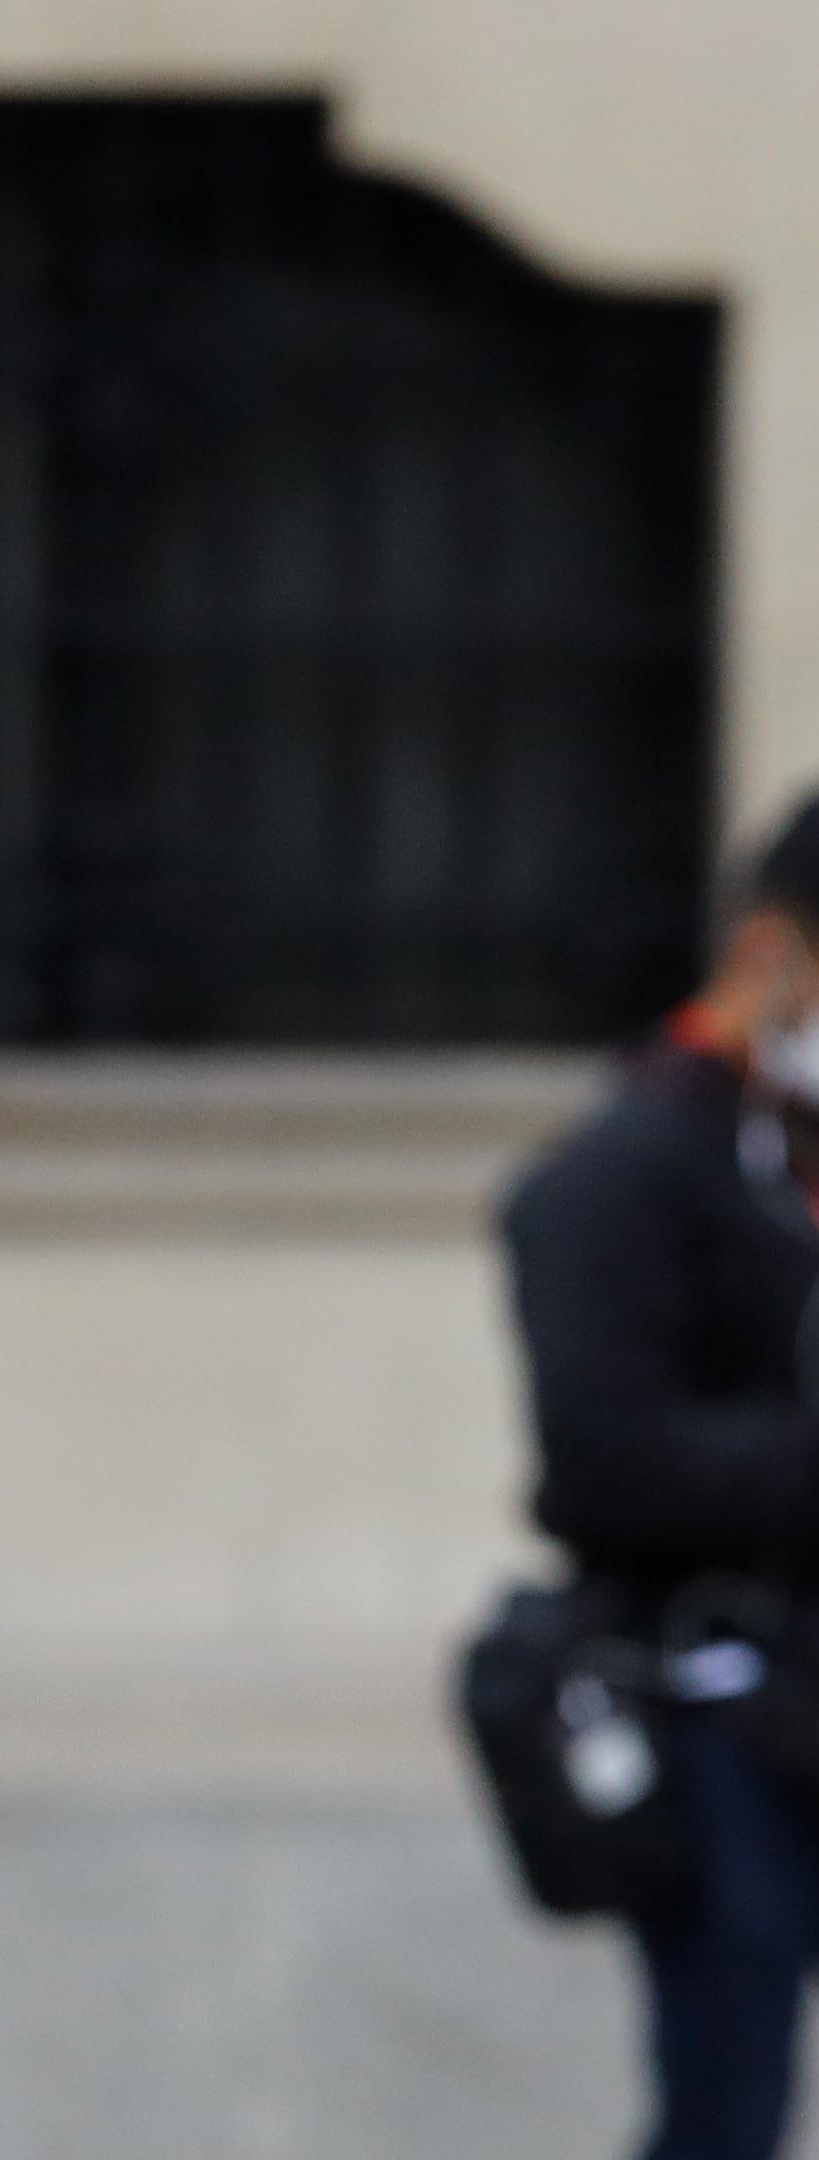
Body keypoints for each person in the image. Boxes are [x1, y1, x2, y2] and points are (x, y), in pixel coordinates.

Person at [503, 797, 819, 2160]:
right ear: (774, 950)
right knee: (724, 2115)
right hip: (713, 1720)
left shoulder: (784, 1151)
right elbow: (602, 1460)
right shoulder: (627, 1168)